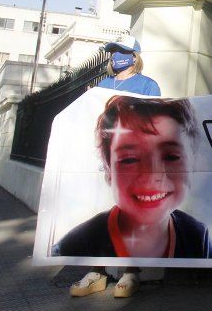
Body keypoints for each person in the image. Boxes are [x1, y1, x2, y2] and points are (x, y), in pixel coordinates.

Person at [64, 35, 161, 298]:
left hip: (135, 161)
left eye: (121, 51)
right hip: (104, 162)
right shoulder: (102, 86)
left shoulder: (148, 85)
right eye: (112, 51)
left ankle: (131, 271)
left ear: (134, 56)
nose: (115, 55)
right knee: (99, 211)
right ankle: (98, 270)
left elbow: (154, 120)